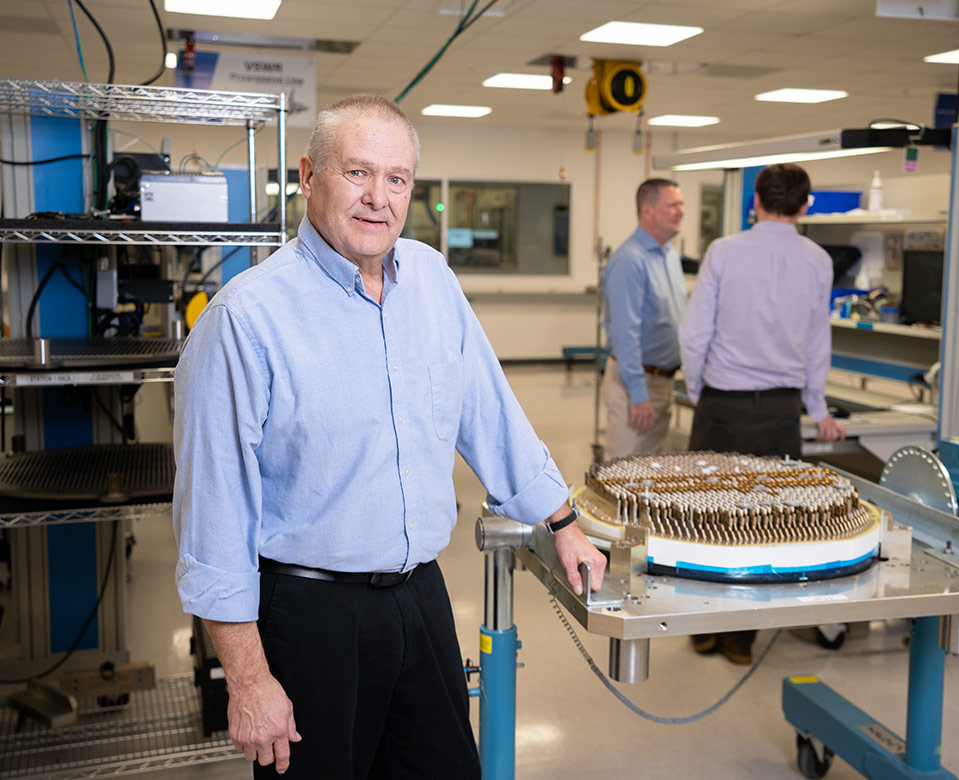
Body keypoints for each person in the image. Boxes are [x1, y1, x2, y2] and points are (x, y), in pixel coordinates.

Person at [172, 94, 606, 779]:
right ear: (308, 176)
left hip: (420, 597)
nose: (379, 197)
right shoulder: (245, 320)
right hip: (309, 616)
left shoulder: (431, 279)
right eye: (357, 173)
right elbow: (213, 517)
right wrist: (249, 680)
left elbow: (489, 411)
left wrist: (562, 521)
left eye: (397, 178)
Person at [678, 163, 845, 664]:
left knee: (704, 516)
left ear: (756, 201)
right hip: (781, 411)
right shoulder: (818, 261)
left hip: (722, 405)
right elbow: (817, 342)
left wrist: (696, 388)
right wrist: (818, 408)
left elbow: (694, 333)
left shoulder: (723, 251)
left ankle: (700, 626)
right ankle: (741, 639)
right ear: (805, 205)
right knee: (768, 521)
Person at [601, 179, 687, 461]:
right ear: (647, 211)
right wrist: (638, 395)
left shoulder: (669, 256)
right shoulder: (630, 260)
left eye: (681, 204)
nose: (681, 211)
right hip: (636, 384)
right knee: (625, 471)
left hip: (662, 382)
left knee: (650, 470)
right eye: (672, 205)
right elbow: (626, 334)